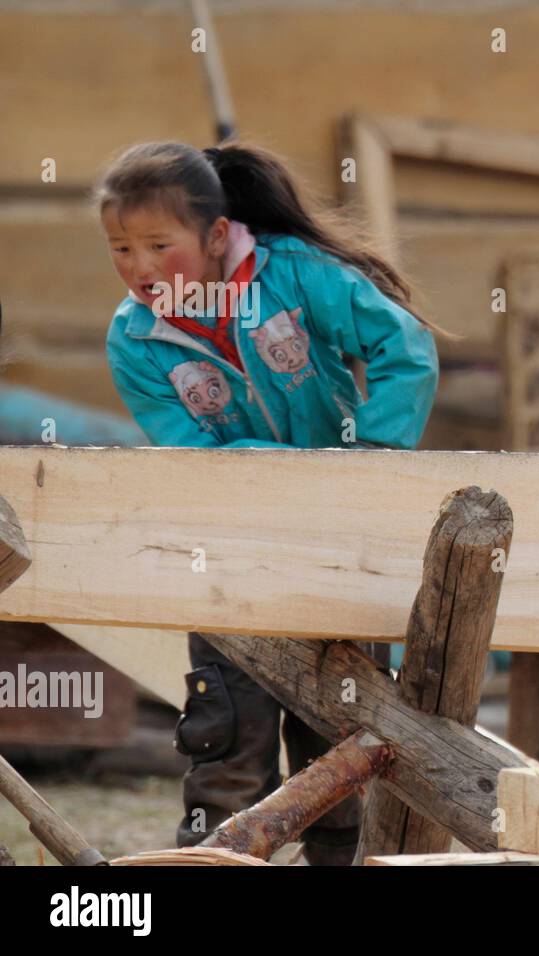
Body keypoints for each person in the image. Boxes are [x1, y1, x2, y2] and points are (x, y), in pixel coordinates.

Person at [96, 140, 441, 863]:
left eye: (160, 244)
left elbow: (403, 347)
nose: (141, 268)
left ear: (217, 236)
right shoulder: (134, 340)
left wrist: (372, 460)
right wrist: (291, 474)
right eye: (121, 249)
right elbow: (192, 457)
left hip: (342, 553)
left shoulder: (297, 276)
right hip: (228, 562)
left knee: (344, 757)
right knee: (226, 753)